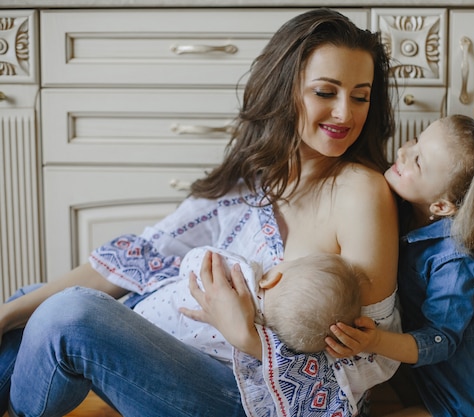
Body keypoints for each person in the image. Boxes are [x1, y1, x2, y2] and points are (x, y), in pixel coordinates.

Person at [0, 8, 401, 417]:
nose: (344, 114)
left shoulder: (361, 192)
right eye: (326, 92)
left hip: (249, 398)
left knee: (70, 315)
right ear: (286, 90)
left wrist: (247, 336)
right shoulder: (255, 177)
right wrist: (7, 314)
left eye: (360, 96)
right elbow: (139, 256)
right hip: (183, 352)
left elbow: (368, 359)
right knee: (24, 305)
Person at [327, 104, 474, 417]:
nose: (404, 152)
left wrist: (374, 340)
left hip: (466, 408)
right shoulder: (411, 210)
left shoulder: (455, 260)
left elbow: (440, 339)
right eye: (416, 140)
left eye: (418, 161)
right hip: (430, 389)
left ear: (443, 206)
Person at [137, 246, 365, 355]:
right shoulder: (257, 342)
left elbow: (193, 261)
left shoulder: (243, 273)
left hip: (149, 309)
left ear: (272, 279)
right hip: (160, 348)